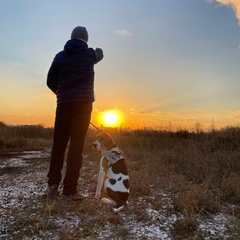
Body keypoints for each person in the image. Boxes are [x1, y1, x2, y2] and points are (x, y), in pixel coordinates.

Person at [46, 26, 104, 201]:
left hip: (63, 104)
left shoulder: (59, 56)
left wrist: (62, 92)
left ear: (71, 38)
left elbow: (50, 81)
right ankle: (70, 190)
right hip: (83, 106)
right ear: (85, 39)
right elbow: (100, 53)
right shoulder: (90, 55)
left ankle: (52, 187)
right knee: (76, 146)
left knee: (59, 145)